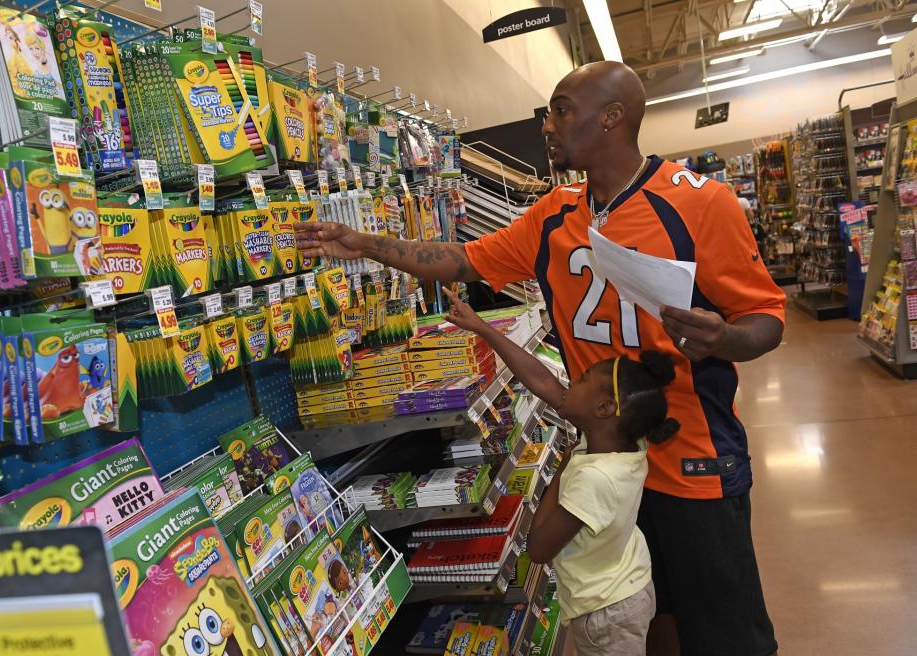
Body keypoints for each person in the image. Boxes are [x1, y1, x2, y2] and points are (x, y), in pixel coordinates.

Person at [296, 61, 785, 656]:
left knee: (728, 633)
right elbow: (462, 261)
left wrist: (723, 339)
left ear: (612, 118)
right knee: (649, 617)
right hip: (609, 464)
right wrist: (368, 244)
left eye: (561, 109)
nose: (548, 124)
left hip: (694, 463)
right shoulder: (553, 212)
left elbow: (766, 320)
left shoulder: (701, 205)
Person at [442, 286, 678, 655]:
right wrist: (483, 328)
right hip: (626, 583)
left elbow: (538, 547)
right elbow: (539, 379)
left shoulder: (594, 475)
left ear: (603, 409)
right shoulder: (621, 441)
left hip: (605, 612)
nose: (570, 384)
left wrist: (563, 467)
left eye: (581, 381)